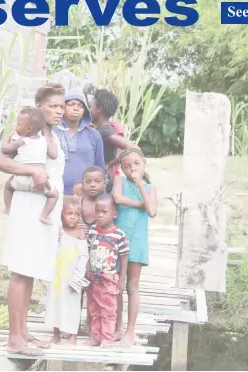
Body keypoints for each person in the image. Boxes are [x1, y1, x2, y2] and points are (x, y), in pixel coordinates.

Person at [0, 83, 66, 356]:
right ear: (39, 106)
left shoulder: (52, 137)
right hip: (27, 208)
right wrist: (30, 172)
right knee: (21, 270)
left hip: (44, 210)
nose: (59, 111)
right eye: (53, 106)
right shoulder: (23, 132)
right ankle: (14, 340)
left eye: (61, 106)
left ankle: (23, 331)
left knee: (32, 269)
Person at [111, 148, 157, 347]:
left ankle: (130, 330)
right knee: (116, 284)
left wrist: (140, 186)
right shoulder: (119, 182)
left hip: (137, 241)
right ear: (121, 168)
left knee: (132, 285)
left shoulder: (149, 187)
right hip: (117, 240)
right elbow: (117, 199)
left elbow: (153, 211)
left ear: (144, 163)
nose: (132, 169)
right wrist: (141, 204)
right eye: (127, 166)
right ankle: (117, 328)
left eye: (136, 164)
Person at [2, 107, 59, 224]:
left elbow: (5, 149)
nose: (15, 126)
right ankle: (44, 215)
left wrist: (6, 138)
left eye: (18, 124)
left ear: (28, 128)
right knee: (54, 195)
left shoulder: (23, 140)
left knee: (7, 186)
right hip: (40, 182)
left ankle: (8, 208)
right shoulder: (44, 140)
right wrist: (51, 143)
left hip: (20, 180)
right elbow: (54, 155)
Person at [45, 196, 89, 345]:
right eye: (69, 213)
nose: (73, 217)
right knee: (55, 302)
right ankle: (56, 333)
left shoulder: (80, 233)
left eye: (77, 214)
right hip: (57, 275)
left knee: (73, 305)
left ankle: (72, 335)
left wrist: (78, 276)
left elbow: (84, 256)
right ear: (62, 214)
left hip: (72, 277)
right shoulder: (58, 231)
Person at [86, 194, 129, 346]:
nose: (100, 215)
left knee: (108, 310)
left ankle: (107, 338)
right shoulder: (92, 231)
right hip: (94, 279)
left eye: (104, 212)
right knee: (94, 308)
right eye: (98, 211)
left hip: (109, 279)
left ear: (114, 214)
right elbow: (89, 250)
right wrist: (87, 268)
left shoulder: (119, 235)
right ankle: (96, 337)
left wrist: (122, 278)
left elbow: (124, 257)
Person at [85, 86, 139, 193]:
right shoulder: (101, 129)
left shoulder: (106, 131)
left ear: (99, 109)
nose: (88, 110)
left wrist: (110, 164)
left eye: (90, 107)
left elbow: (134, 148)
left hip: (103, 181)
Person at [55, 90, 106, 196]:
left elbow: (100, 166)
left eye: (80, 106)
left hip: (86, 194)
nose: (76, 108)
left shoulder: (94, 134)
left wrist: (102, 195)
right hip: (55, 191)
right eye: (71, 104)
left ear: (85, 111)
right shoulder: (52, 132)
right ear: (62, 107)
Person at [77, 166, 107, 335]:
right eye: (88, 182)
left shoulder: (106, 205)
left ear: (104, 183)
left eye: (97, 181)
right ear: (82, 184)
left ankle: (90, 323)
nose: (93, 185)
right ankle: (74, 323)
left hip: (98, 254)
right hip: (78, 253)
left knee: (94, 291)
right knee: (77, 288)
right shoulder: (77, 203)